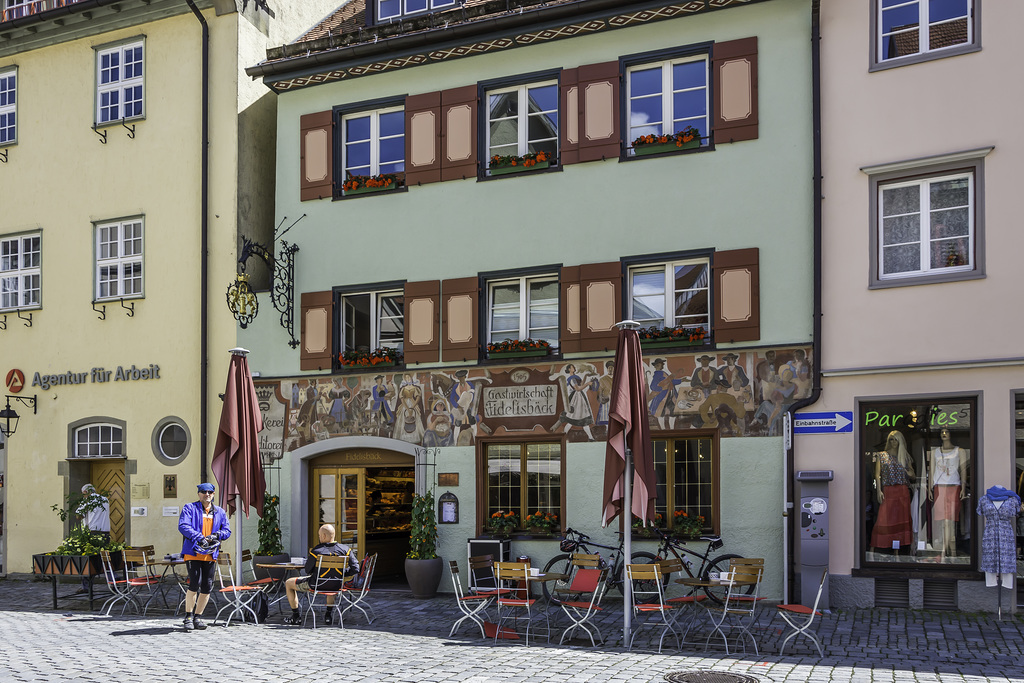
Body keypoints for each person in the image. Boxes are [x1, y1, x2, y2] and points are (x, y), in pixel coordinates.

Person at [177, 482, 231, 632]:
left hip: (210, 553)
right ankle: (188, 616)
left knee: (207, 585)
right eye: (203, 492)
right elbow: (183, 526)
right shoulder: (190, 508)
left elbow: (227, 530)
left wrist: (217, 535)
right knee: (195, 583)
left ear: (213, 494)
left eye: (209, 492)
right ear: (199, 494)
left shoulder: (220, 512)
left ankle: (198, 616)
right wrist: (199, 537)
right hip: (193, 552)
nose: (207, 494)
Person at [283, 524, 359, 626]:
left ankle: (296, 617)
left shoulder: (316, 551)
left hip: (316, 584)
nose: (319, 537)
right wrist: (342, 574)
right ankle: (328, 615)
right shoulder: (346, 550)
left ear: (323, 536)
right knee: (331, 584)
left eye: (319, 535)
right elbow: (356, 568)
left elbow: (307, 570)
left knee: (288, 583)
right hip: (336, 585)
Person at [868, 430, 915, 552]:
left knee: (900, 520)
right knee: (883, 519)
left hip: (902, 491)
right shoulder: (882, 455)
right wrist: (879, 490)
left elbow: (913, 474)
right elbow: (877, 475)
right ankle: (873, 549)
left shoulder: (905, 456)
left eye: (896, 439)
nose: (893, 442)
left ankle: (897, 551)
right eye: (891, 439)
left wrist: (906, 471)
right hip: (888, 491)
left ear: (900, 441)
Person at [927, 428, 969, 557]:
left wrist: (963, 486)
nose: (944, 434)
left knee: (951, 519)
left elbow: (963, 470)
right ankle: (947, 550)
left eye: (946, 432)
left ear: (951, 434)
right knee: (942, 521)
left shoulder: (959, 451)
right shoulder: (935, 452)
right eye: (942, 432)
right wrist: (930, 488)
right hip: (940, 487)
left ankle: (949, 550)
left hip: (953, 486)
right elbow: (932, 471)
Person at [977, 485, 1021, 589]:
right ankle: (991, 582)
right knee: (989, 557)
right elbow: (979, 511)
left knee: (1007, 558)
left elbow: (1016, 511)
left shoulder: (1012, 499)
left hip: (1006, 533)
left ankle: (1007, 583)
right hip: (990, 532)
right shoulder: (984, 499)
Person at [77, 484, 110, 592]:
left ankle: (86, 586)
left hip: (92, 533)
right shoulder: (105, 499)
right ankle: (113, 579)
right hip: (105, 532)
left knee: (88, 560)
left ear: (86, 492)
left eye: (83, 494)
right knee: (106, 558)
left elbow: (78, 515)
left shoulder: (88, 500)